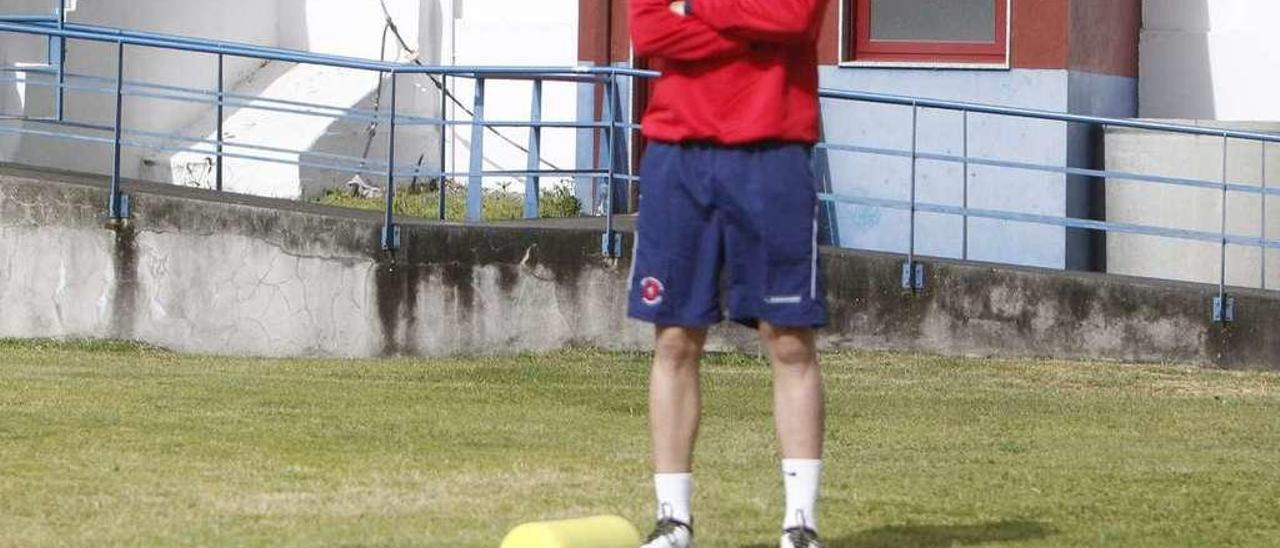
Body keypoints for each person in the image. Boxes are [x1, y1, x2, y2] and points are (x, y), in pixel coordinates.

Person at [627, 1, 829, 547]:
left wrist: (695, 8)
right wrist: (750, 28)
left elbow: (792, 20)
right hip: (678, 155)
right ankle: (673, 522)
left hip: (773, 154)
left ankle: (800, 525)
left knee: (788, 340)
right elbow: (649, 29)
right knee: (673, 337)